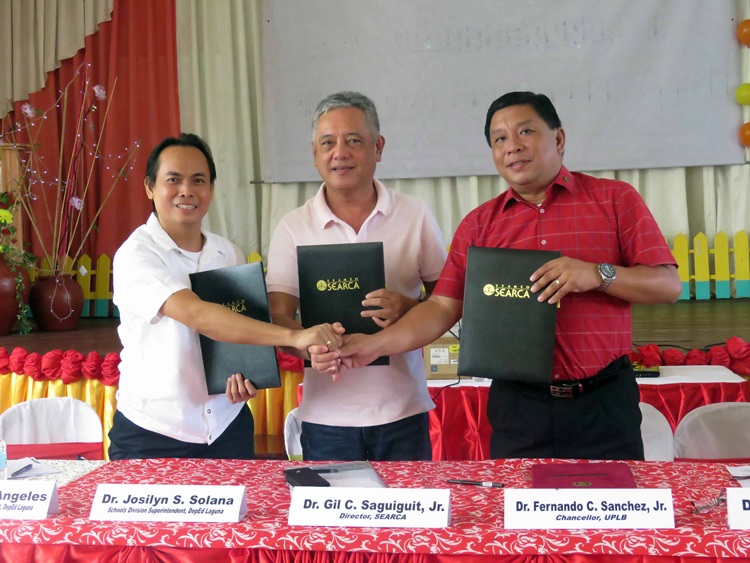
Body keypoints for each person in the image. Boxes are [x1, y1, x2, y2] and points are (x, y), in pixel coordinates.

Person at [316, 91, 682, 460]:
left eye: (526, 132)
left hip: (603, 401)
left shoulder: (614, 200)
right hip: (519, 406)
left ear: (558, 138)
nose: (513, 147)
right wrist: (371, 345)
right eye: (500, 139)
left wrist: (597, 274)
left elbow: (667, 285)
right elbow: (442, 306)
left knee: (610, 512)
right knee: (520, 513)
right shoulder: (480, 224)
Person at [109, 133, 342, 460]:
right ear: (150, 187)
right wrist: (295, 335)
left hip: (226, 427)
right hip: (153, 433)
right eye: (173, 179)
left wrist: (245, 374)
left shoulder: (227, 252)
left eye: (198, 180)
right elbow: (199, 317)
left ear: (212, 189)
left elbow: (239, 334)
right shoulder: (136, 254)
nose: (186, 191)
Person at [265, 91, 447, 461]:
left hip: (403, 411)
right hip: (325, 416)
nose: (340, 153)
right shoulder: (293, 227)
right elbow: (276, 318)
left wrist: (410, 308)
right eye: (327, 143)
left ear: (378, 147)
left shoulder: (415, 215)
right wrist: (306, 344)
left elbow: (448, 302)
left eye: (353, 141)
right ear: (314, 154)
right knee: (333, 522)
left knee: (406, 519)